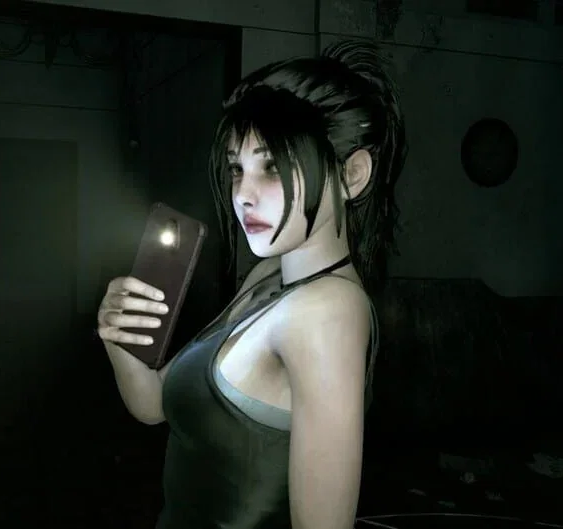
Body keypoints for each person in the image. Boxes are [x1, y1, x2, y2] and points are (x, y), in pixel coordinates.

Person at [96, 40, 407, 529]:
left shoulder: (329, 310)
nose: (242, 193)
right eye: (236, 168)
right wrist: (120, 340)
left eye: (273, 166)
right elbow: (155, 405)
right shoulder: (269, 276)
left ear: (352, 174)